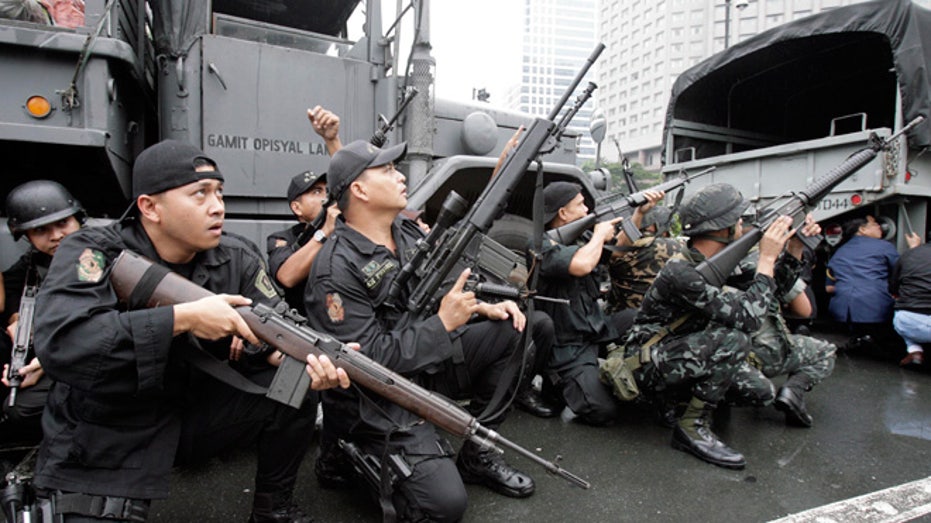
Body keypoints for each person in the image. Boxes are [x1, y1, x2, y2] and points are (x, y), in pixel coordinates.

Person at [31, 139, 349, 523]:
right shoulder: (94, 251)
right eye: (200, 194)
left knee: (294, 387)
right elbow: (65, 344)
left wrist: (300, 356)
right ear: (150, 207)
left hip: (190, 412)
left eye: (219, 192)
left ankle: (272, 510)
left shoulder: (237, 256)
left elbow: (277, 324)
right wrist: (184, 318)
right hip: (105, 429)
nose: (218, 206)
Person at [304, 139, 555, 521]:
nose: (399, 175)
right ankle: (344, 452)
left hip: (424, 365)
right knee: (443, 506)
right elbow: (366, 361)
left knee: (514, 329)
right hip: (374, 397)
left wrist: (480, 306)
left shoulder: (406, 233)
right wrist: (442, 324)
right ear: (359, 189)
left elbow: (441, 288)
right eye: (387, 170)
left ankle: (477, 455)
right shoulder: (335, 268)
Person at [611, 183, 798, 470]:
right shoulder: (682, 271)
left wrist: (792, 253)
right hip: (646, 362)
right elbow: (748, 318)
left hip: (683, 351)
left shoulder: (717, 263)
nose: (741, 224)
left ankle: (681, 399)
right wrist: (766, 257)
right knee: (734, 339)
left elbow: (769, 290)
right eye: (738, 219)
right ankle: (691, 426)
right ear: (723, 229)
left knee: (760, 392)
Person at [534, 181, 662, 425]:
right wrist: (600, 235)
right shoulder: (540, 244)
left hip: (595, 329)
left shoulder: (582, 236)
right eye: (580, 205)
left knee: (643, 318)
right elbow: (581, 265)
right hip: (568, 346)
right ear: (562, 213)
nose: (586, 210)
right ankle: (559, 386)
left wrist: (639, 213)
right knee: (603, 412)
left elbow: (620, 249)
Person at [1, 180, 85, 443]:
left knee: (22, 411)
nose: (56, 235)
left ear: (78, 220)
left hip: (97, 360)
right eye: (41, 230)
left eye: (63, 224)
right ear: (26, 236)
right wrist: (17, 319)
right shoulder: (34, 264)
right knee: (15, 408)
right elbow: (13, 289)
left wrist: (47, 363)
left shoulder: (101, 255)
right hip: (57, 359)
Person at [267, 106, 343, 314]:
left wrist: (332, 141)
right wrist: (324, 232)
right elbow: (287, 276)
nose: (325, 196)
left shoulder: (342, 227)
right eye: (316, 192)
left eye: (326, 191)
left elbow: (348, 181)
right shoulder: (283, 239)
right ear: (296, 207)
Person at [825, 215, 901, 352]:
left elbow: (829, 286)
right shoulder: (885, 246)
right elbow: (900, 271)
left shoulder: (840, 250)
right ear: (862, 230)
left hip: (842, 308)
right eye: (874, 224)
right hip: (875, 306)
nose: (880, 227)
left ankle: (860, 338)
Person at [890, 231, 929, 368]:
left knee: (903, 309)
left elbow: (893, 289)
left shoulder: (909, 254)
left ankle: (915, 351)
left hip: (908, 322)